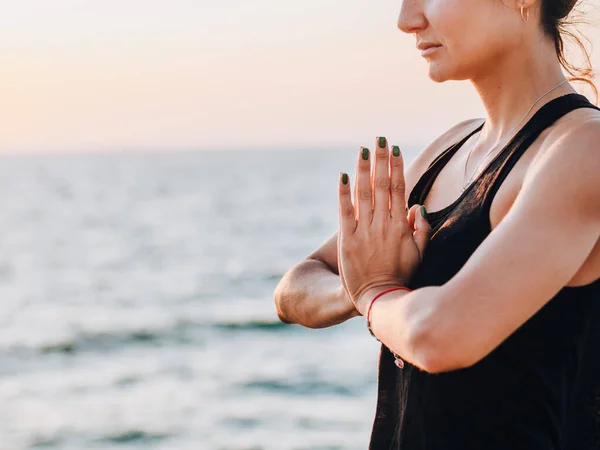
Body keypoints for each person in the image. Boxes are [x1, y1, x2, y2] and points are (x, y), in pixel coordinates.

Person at [273, 0, 600, 448]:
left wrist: (376, 291)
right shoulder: (448, 148)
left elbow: (441, 336)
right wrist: (363, 288)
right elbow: (293, 289)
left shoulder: (583, 148)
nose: (407, 20)